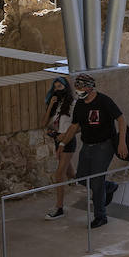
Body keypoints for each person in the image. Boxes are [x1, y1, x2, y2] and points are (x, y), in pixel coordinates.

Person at [56, 73, 128, 229]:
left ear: (89, 87)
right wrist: (62, 144)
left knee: (95, 182)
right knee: (82, 178)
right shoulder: (80, 104)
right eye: (76, 88)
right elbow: (74, 126)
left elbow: (121, 119)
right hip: (87, 145)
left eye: (80, 88)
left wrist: (122, 142)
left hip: (104, 145)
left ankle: (100, 216)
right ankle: (108, 186)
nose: (77, 91)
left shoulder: (104, 101)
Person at [41, 77, 77, 219]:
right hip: (57, 140)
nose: (58, 89)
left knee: (59, 174)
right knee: (72, 175)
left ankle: (59, 208)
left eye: (60, 86)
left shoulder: (72, 104)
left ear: (66, 87)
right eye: (55, 87)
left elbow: (76, 126)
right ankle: (103, 187)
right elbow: (44, 123)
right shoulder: (56, 105)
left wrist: (64, 138)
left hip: (68, 141)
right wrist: (50, 105)